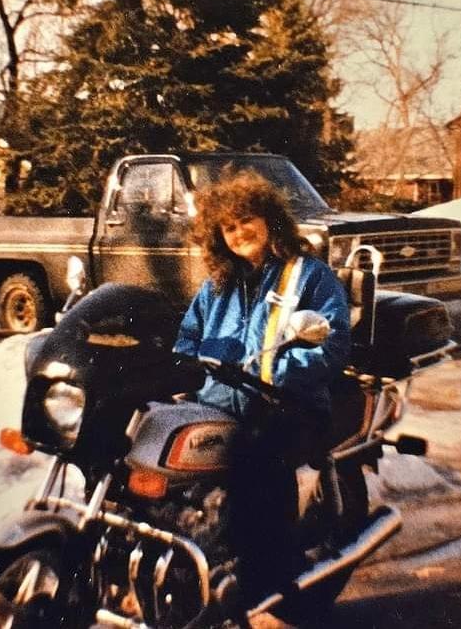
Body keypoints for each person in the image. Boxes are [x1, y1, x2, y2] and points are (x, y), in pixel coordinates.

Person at [174, 169, 351, 602]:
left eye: (245, 220)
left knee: (255, 456)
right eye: (228, 227)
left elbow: (331, 343)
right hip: (221, 402)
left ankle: (267, 573)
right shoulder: (218, 285)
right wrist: (178, 368)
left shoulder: (307, 275)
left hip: (290, 403)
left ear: (269, 218)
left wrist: (272, 373)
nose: (238, 233)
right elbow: (188, 337)